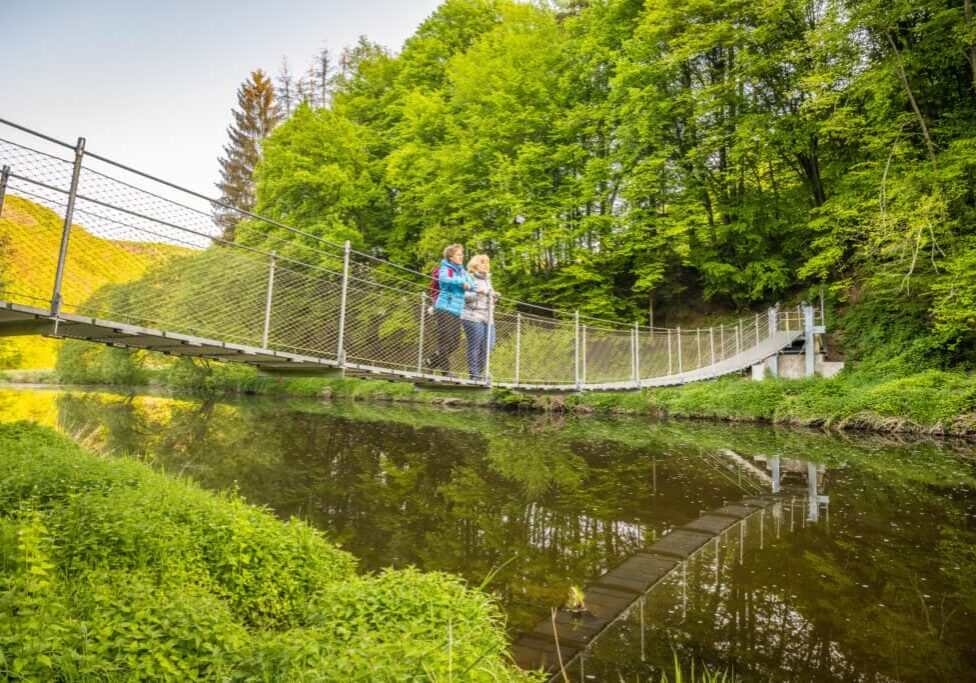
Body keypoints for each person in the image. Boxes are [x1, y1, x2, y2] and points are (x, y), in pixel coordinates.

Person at [429, 244, 473, 375]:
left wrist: (481, 290)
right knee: (445, 339)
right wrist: (461, 283)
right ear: (450, 257)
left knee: (455, 342)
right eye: (459, 254)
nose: (462, 257)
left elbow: (471, 284)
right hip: (444, 307)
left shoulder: (462, 271)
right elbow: (444, 279)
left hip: (456, 310)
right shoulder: (445, 268)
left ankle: (431, 361)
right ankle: (445, 371)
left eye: (462, 254)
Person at [461, 254, 499, 382]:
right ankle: (474, 374)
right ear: (475, 265)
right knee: (475, 345)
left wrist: (495, 296)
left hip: (488, 317)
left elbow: (490, 299)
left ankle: (481, 372)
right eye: (482, 262)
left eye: (487, 263)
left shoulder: (488, 279)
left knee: (489, 346)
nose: (485, 265)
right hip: (472, 316)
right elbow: (463, 296)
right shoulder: (469, 278)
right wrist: (478, 293)